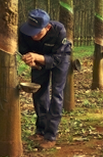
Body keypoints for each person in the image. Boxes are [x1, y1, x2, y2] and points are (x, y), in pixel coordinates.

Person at [18, 9, 71, 149]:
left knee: (57, 93)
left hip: (60, 58)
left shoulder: (59, 31)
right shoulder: (24, 31)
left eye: (38, 32)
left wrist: (37, 57)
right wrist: (30, 60)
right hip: (38, 59)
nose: (33, 35)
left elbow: (57, 59)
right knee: (39, 92)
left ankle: (51, 135)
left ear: (47, 27)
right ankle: (41, 130)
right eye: (31, 31)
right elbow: (23, 50)